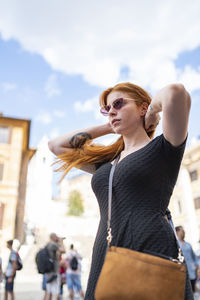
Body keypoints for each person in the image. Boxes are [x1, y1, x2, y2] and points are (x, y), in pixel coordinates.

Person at [48, 82, 192, 299]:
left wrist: (152, 112)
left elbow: (176, 93)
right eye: (107, 109)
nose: (111, 111)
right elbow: (56, 145)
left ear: (142, 107)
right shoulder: (106, 163)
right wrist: (111, 125)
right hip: (107, 250)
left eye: (118, 104)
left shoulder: (164, 148)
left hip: (150, 248)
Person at [176, 226, 199, 293]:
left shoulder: (188, 245)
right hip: (182, 273)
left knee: (194, 291)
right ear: (177, 232)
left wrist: (196, 266)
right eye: (182, 231)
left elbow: (194, 257)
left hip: (192, 272)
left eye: (184, 231)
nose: (184, 232)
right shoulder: (176, 245)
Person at [45, 233, 65, 300]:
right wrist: (61, 241)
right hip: (54, 270)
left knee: (49, 291)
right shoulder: (53, 244)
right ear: (53, 237)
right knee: (55, 292)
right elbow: (63, 250)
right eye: (56, 237)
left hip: (48, 270)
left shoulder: (47, 244)